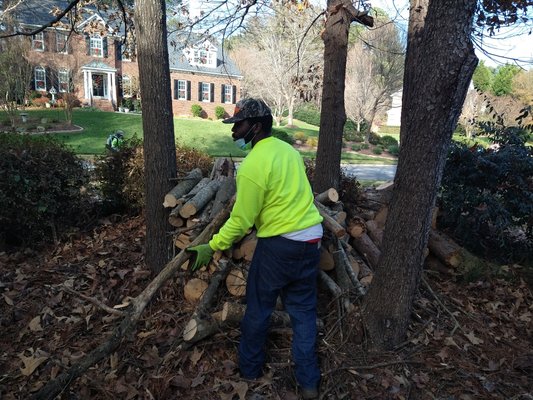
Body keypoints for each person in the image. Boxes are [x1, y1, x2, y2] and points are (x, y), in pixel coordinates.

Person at [187, 98, 323, 399]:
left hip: (280, 246)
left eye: (239, 125)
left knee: (259, 308)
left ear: (256, 126)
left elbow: (241, 220)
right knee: (302, 313)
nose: (234, 131)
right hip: (312, 240)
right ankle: (309, 383)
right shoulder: (288, 151)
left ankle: (249, 371)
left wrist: (212, 245)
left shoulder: (252, 166)